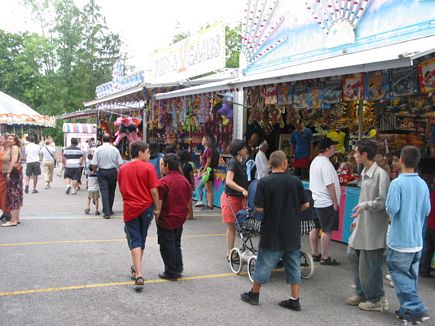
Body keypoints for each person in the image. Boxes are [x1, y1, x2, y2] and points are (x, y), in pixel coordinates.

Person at [240, 150, 309, 310]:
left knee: (264, 264)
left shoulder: (264, 182)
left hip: (271, 230)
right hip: (292, 231)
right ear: (285, 163)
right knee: (293, 265)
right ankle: (294, 299)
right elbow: (306, 204)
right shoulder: (295, 181)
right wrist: (291, 210)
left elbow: (258, 207)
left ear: (270, 164)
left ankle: (254, 294)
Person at [386, 146, 431, 324]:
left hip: (399, 239)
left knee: (399, 275)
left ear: (402, 160)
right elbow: (427, 210)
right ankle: (407, 311)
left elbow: (392, 209)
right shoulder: (422, 183)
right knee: (411, 277)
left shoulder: (397, 183)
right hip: (417, 239)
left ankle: (415, 307)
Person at [345, 139, 390, 311]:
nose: (354, 155)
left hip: (374, 228)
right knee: (352, 254)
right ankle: (362, 292)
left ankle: (376, 298)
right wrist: (357, 220)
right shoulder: (365, 171)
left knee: (371, 263)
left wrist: (365, 206)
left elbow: (383, 202)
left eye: (356, 152)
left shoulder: (380, 174)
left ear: (364, 154)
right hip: (363, 224)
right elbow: (363, 199)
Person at [118, 141, 160, 289]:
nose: (149, 155)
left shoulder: (123, 168)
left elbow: (122, 189)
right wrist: (157, 207)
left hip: (130, 207)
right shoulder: (149, 168)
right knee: (141, 238)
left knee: (135, 239)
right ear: (140, 153)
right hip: (146, 208)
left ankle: (138, 272)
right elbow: (154, 191)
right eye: (147, 152)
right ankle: (137, 270)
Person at [156, 153, 192, 281]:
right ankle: (178, 267)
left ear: (166, 166)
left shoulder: (163, 182)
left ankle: (171, 271)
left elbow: (159, 203)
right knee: (176, 243)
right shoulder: (185, 181)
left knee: (167, 245)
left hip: (167, 218)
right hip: (180, 217)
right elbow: (188, 199)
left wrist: (156, 217)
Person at [309, 138, 341, 265]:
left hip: (315, 200)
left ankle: (315, 253)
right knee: (327, 230)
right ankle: (325, 257)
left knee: (315, 227)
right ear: (327, 148)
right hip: (326, 201)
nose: (335, 149)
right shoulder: (326, 164)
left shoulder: (315, 161)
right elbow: (330, 185)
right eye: (333, 147)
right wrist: (335, 202)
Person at [220, 139, 249, 259]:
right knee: (232, 226)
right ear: (238, 151)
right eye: (243, 148)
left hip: (239, 198)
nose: (246, 150)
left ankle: (235, 250)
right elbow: (228, 181)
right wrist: (241, 189)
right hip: (231, 198)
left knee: (240, 225)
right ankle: (230, 251)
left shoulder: (240, 162)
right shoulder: (233, 163)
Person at [91, 134, 123, 219]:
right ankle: (109, 209)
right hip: (113, 172)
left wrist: (94, 171)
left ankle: (106, 211)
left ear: (102, 140)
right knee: (111, 191)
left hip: (102, 172)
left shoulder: (98, 150)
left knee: (104, 191)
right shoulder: (115, 149)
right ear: (111, 140)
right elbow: (120, 163)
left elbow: (94, 164)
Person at [1, 134, 23, 227]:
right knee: (16, 196)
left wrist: (9, 172)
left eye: (11, 139)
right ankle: (16, 218)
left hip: (13, 174)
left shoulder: (14, 148)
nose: (8, 140)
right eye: (8, 139)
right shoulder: (13, 148)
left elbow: (13, 160)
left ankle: (13, 220)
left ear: (15, 140)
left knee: (13, 196)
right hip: (15, 174)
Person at [198, 135, 218, 209]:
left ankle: (210, 204)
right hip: (206, 169)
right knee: (207, 187)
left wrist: (204, 170)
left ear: (207, 141)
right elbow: (204, 162)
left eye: (203, 140)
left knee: (208, 188)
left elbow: (208, 161)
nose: (202, 141)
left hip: (208, 170)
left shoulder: (209, 150)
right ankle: (209, 203)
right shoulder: (205, 150)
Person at [179, 150, 195, 220]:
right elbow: (191, 176)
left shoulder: (178, 165)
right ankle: (190, 215)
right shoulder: (189, 165)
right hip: (188, 183)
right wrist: (193, 184)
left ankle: (183, 214)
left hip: (180, 184)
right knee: (189, 199)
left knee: (181, 199)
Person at [0, 134, 11, 222]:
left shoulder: (10, 149)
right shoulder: (1, 148)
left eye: (2, 138)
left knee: (4, 194)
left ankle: (7, 212)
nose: (1, 140)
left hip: (4, 174)